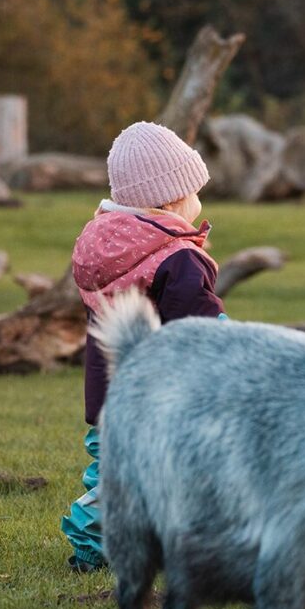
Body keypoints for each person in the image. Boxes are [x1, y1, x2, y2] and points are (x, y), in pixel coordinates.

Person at [62, 121, 226, 572]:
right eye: (195, 191)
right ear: (171, 199)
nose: (199, 201)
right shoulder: (177, 257)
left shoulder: (106, 246)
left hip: (108, 391)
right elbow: (197, 318)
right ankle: (91, 541)